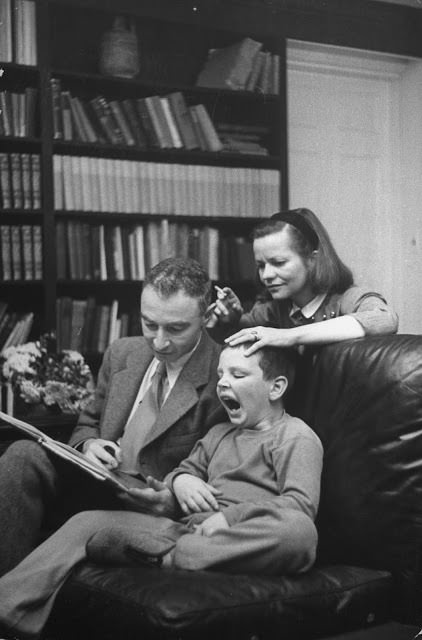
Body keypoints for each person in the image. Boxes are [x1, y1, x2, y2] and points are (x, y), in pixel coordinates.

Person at [0, 342, 323, 639]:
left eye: (238, 374)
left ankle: (172, 557)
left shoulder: (295, 437)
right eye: (220, 374)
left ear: (276, 387)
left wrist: (229, 517)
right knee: (86, 522)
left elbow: (299, 506)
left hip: (243, 533)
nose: (223, 382)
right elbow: (185, 470)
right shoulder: (219, 433)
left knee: (300, 533)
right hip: (183, 529)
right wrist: (179, 482)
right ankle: (7, 607)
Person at [0, 257, 226, 578]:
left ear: (206, 317)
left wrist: (172, 500)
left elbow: (221, 470)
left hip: (147, 502)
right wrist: (88, 444)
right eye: (149, 324)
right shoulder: (122, 352)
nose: (160, 341)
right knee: (23, 454)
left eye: (176, 329)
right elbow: (87, 423)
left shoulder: (223, 374)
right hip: (96, 480)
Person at [207, 208, 398, 354]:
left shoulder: (347, 298)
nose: (266, 275)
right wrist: (229, 321)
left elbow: (385, 319)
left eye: (278, 262)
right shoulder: (273, 310)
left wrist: (288, 336)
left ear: (312, 260)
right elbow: (232, 341)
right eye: (261, 265)